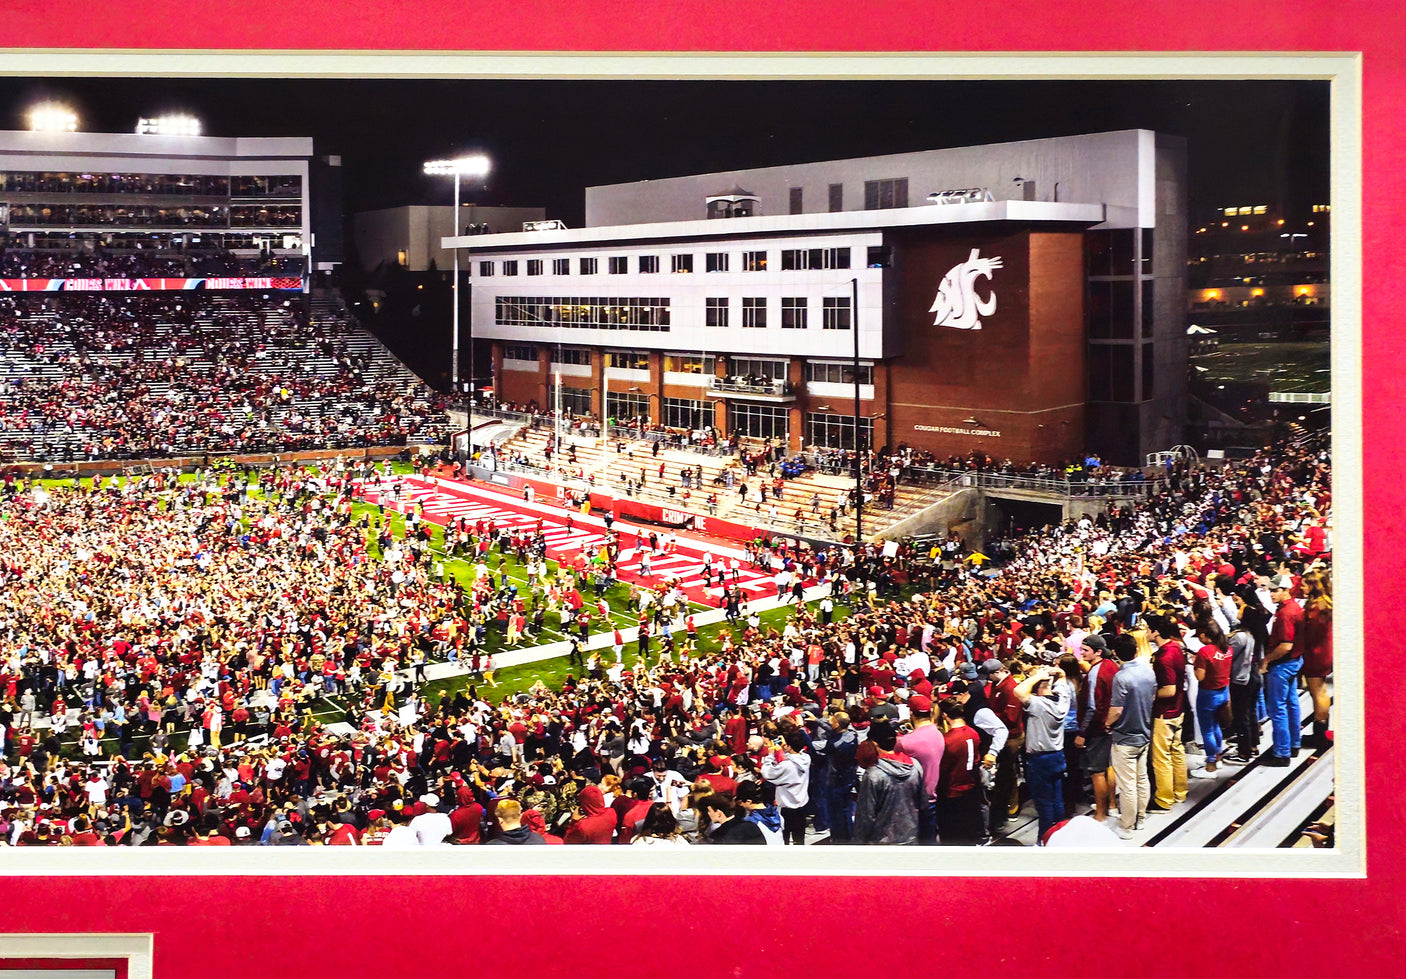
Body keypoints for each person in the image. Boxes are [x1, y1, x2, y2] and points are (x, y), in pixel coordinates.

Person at [1106, 633, 1156, 840]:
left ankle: (1126, 826)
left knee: (1127, 785)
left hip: (1125, 736)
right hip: (1144, 731)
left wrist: (1108, 724)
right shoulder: (1148, 672)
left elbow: (1116, 710)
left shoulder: (1121, 677)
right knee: (1142, 778)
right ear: (1136, 650)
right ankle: (1140, 819)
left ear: (1115, 653)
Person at [1014, 664, 1072, 841]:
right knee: (1057, 799)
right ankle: (1060, 836)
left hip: (1040, 759)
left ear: (1038, 685)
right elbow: (1063, 680)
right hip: (1057, 755)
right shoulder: (1062, 700)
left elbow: (1018, 691)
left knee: (1044, 804)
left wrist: (1037, 675)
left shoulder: (1038, 704)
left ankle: (1044, 840)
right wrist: (1058, 673)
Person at [853, 720, 924, 845]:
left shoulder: (873, 775)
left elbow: (866, 815)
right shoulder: (915, 765)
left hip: (882, 842)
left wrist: (859, 842)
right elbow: (923, 803)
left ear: (874, 744)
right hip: (911, 837)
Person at [1075, 633, 1120, 822]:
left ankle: (1100, 814)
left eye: (1085, 650)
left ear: (1098, 652)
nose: (1081, 653)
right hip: (1112, 725)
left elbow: (1093, 707)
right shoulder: (1112, 666)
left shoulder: (1094, 674)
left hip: (1098, 728)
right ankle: (1111, 804)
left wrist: (1082, 733)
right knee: (1109, 767)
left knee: (1097, 772)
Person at [1144, 613, 1188, 810]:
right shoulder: (1176, 647)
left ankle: (1164, 799)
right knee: (1177, 751)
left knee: (1161, 757)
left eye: (1147, 629)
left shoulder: (1163, 657)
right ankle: (1180, 791)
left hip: (1165, 712)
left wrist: (1150, 695)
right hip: (1178, 708)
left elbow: (1168, 689)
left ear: (1156, 632)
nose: (1145, 633)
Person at [1260, 574, 1304, 766]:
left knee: (1278, 709)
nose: (1270, 594)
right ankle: (1294, 744)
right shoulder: (1293, 608)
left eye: (1274, 590)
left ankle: (1281, 753)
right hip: (1295, 661)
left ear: (1285, 590)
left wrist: (1266, 660)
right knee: (1291, 703)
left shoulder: (1286, 613)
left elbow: (1285, 645)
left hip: (1283, 663)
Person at [896, 693, 944, 844]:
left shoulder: (906, 742)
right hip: (935, 794)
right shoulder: (938, 733)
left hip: (916, 800)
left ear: (911, 713)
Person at [935, 698, 983, 845]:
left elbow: (942, 769)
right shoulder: (973, 733)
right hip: (970, 789)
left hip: (952, 792)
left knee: (952, 837)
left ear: (944, 715)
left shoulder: (948, 740)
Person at [1191, 622, 1233, 779]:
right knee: (1216, 726)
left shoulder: (1204, 651)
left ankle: (1210, 765)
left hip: (1208, 694)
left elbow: (1199, 676)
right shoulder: (1227, 649)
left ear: (1203, 636)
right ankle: (1218, 756)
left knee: (1207, 730)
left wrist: (1195, 663)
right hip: (1223, 691)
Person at [1299, 568, 1334, 749]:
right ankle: (1321, 729)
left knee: (1317, 691)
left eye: (1304, 585)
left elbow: (1309, 634)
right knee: (1320, 691)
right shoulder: (1326, 603)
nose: (1301, 588)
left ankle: (1319, 734)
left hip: (1315, 652)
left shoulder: (1315, 608)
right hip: (1324, 651)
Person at [760, 730, 811, 845]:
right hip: (801, 805)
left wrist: (771, 755)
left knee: (785, 839)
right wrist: (785, 749)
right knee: (799, 839)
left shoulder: (786, 766)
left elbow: (767, 773)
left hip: (787, 808)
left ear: (789, 746)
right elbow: (793, 757)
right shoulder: (806, 758)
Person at [702, 794, 766, 844]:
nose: (709, 814)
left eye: (709, 811)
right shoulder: (751, 826)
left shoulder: (721, 837)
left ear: (718, 813)